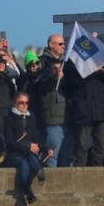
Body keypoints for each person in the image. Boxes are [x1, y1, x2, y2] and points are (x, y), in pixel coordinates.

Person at [5, 92, 51, 205]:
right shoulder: (9, 119)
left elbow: (36, 139)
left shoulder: (31, 118)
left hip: (28, 153)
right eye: (21, 103)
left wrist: (46, 149)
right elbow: (10, 142)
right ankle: (29, 191)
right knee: (24, 163)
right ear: (15, 103)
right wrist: (28, 145)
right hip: (14, 154)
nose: (25, 105)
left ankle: (39, 173)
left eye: (27, 103)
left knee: (31, 158)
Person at [35, 34, 72, 168]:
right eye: (60, 44)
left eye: (64, 44)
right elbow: (39, 84)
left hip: (68, 116)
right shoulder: (41, 62)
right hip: (52, 118)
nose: (63, 46)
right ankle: (50, 187)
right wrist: (54, 77)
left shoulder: (67, 63)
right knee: (52, 156)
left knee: (68, 156)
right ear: (51, 45)